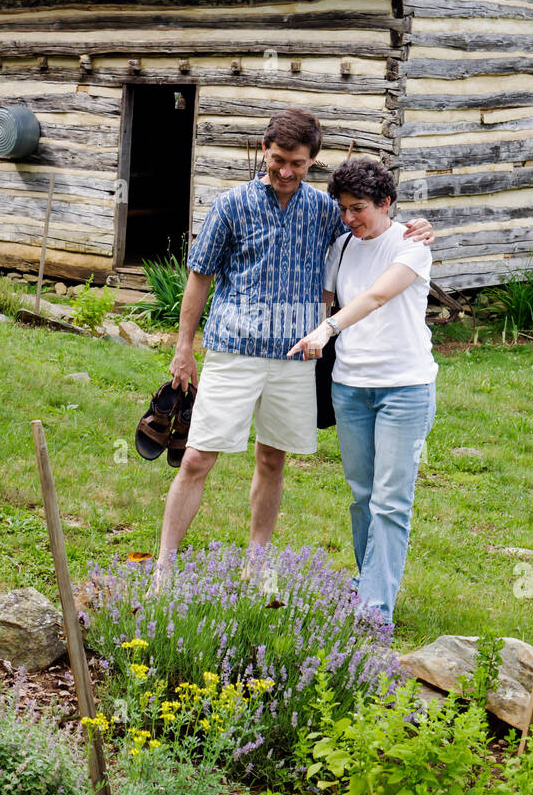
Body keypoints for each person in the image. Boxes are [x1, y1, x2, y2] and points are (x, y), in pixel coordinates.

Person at [157, 109, 433, 571]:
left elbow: (373, 224)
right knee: (197, 458)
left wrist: (418, 225)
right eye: (279, 159)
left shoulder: (326, 211)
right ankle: (163, 568)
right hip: (233, 351)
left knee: (271, 460)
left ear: (312, 162)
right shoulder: (231, 205)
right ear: (265, 150)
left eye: (298, 163)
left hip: (295, 358)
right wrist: (184, 348)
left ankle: (257, 565)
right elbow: (199, 276)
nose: (286, 171)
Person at [287, 157, 437, 627]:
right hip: (350, 388)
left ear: (386, 203)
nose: (350, 217)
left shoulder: (411, 245)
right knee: (361, 494)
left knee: (391, 499)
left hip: (405, 388)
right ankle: (366, 582)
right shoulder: (341, 248)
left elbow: (374, 298)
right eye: (343, 208)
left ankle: (375, 611)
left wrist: (327, 329)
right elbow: (324, 300)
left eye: (359, 208)